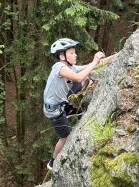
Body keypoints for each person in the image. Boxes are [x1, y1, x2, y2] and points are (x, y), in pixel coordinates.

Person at [43, 38, 117, 172]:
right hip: (54, 111)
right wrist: (94, 60)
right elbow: (78, 77)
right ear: (62, 56)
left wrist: (116, 56)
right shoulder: (59, 67)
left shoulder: (70, 67)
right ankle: (52, 161)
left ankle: (69, 109)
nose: (75, 55)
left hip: (60, 104)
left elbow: (93, 66)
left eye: (74, 52)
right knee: (65, 137)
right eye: (71, 53)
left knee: (86, 80)